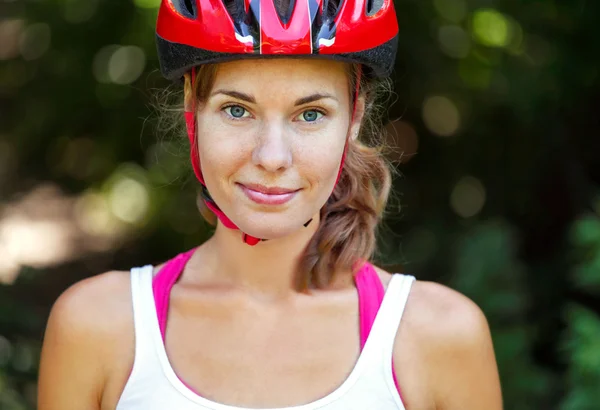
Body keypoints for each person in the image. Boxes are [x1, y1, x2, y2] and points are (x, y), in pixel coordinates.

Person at [37, 0, 503, 408]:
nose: (272, 158)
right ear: (191, 109)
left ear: (355, 119)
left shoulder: (441, 338)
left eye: (311, 114)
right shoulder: (95, 329)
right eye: (237, 110)